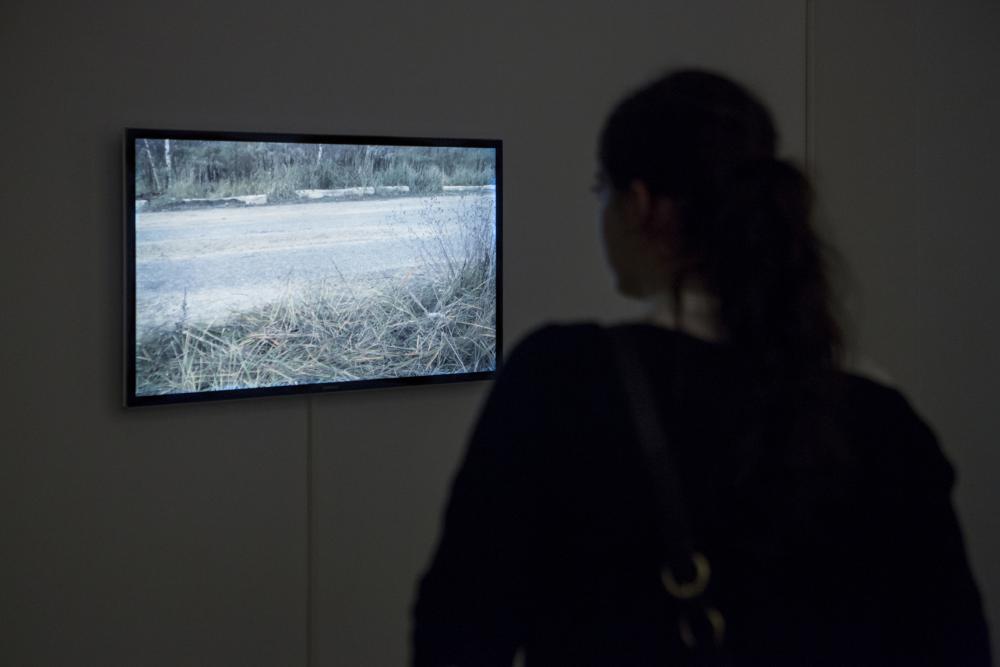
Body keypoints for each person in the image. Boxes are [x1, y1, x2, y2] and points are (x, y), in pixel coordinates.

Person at [411, 69, 991, 666]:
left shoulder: (560, 383)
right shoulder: (882, 418)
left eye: (601, 189)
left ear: (641, 206)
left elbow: (456, 631)